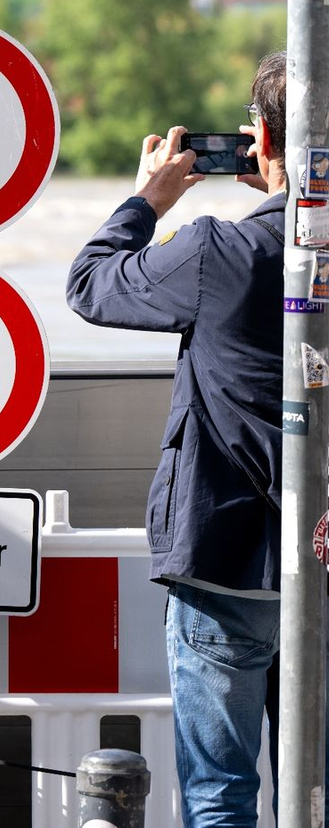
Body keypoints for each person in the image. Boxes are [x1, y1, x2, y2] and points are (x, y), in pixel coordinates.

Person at [66, 51, 288, 827]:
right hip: (323, 563)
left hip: (226, 562)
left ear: (258, 138)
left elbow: (91, 285)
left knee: (220, 792)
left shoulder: (215, 253)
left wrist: (146, 199)